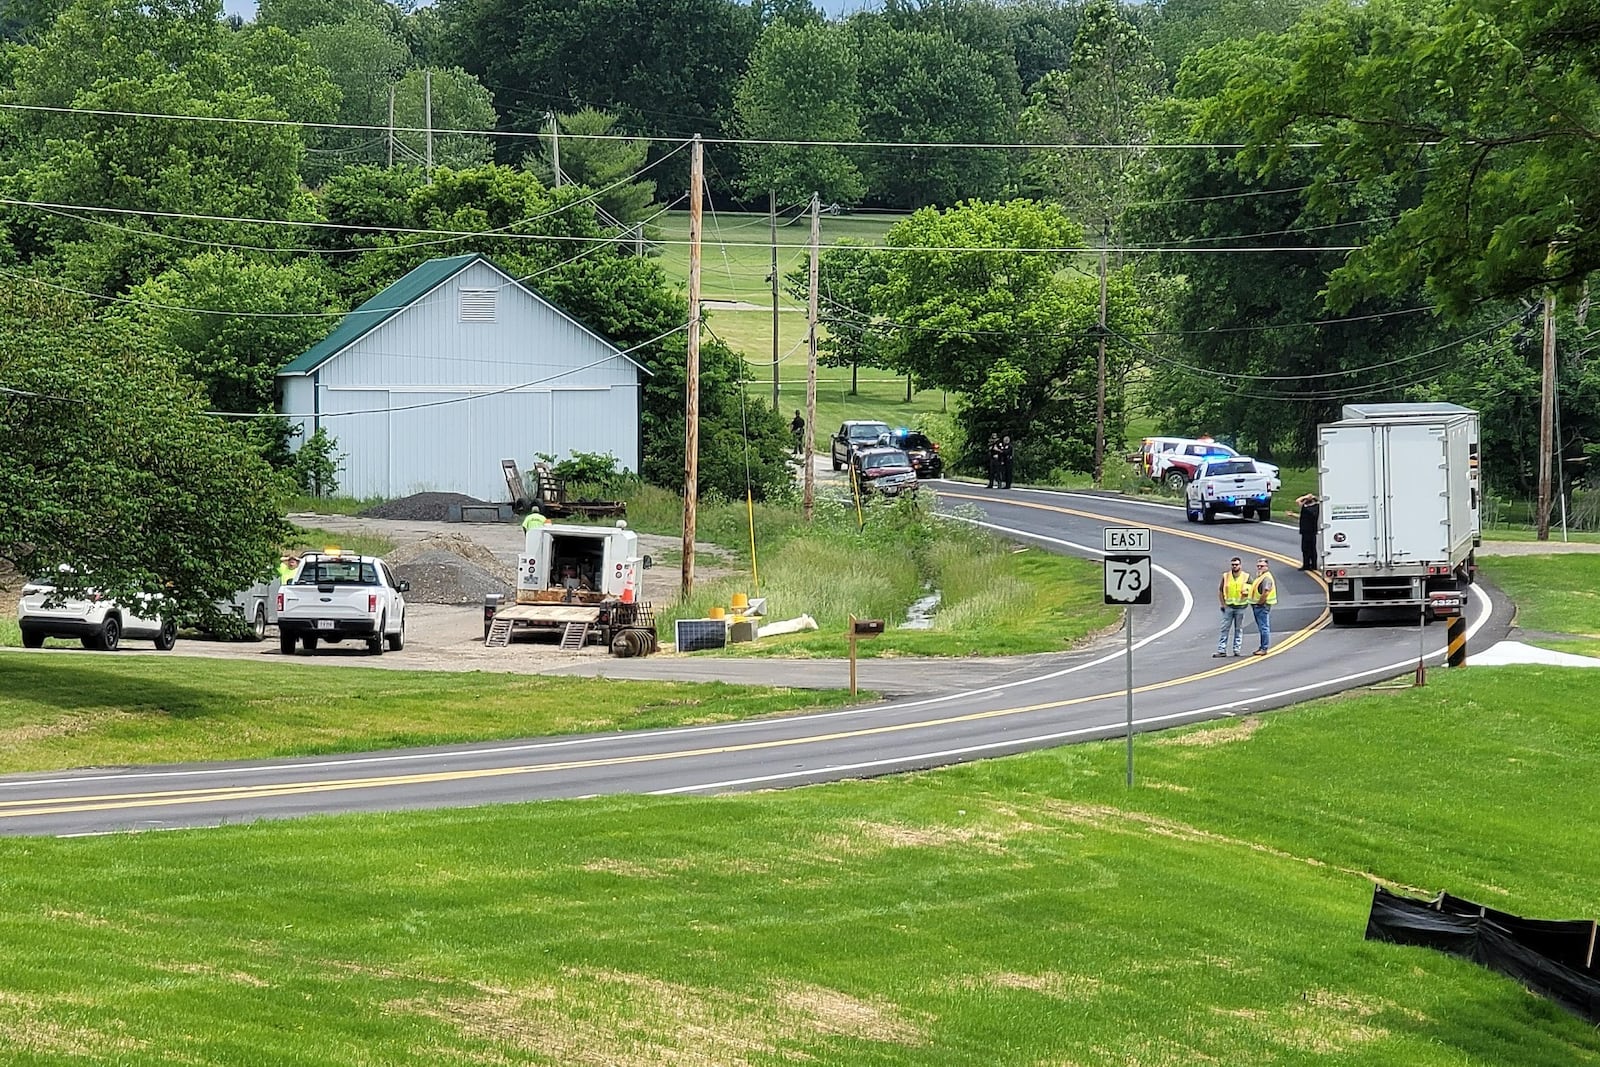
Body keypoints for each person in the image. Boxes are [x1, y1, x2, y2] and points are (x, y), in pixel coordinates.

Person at [1215, 556, 1251, 657]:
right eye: (1233, 565)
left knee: (1238, 629)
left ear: (1240, 565)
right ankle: (1222, 650)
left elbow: (1252, 590)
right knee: (1225, 628)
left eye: (1236, 564)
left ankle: (1236, 649)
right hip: (1229, 606)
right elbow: (1221, 590)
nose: (1234, 566)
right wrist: (1223, 604)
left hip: (1241, 606)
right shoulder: (1226, 576)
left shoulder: (1246, 576)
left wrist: (1247, 596)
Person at [1249, 558, 1276, 655]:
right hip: (1259, 605)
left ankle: (1264, 648)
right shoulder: (1261, 576)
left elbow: (1266, 591)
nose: (1259, 567)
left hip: (1262, 606)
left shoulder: (1266, 578)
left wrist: (1260, 603)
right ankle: (1262, 647)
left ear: (1267, 567)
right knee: (1262, 627)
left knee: (1263, 627)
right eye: (1258, 566)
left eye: (1262, 566)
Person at [1294, 493, 1320, 570]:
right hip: (1311, 531)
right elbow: (1302, 516)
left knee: (1306, 549)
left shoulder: (1307, 508)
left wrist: (1305, 497)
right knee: (1312, 548)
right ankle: (1313, 565)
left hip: (1307, 531)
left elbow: (1297, 501)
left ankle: (1307, 565)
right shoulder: (1315, 508)